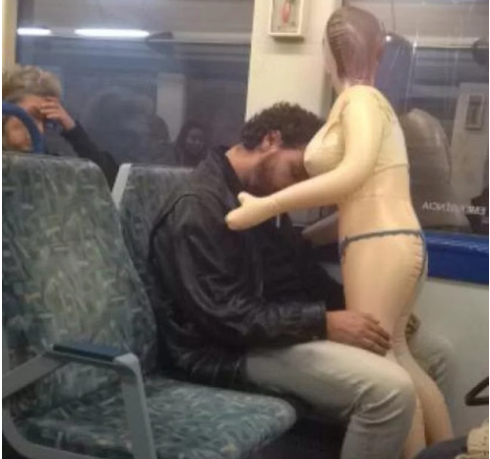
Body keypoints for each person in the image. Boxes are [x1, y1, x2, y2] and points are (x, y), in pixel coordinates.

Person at [150, 102, 452, 459]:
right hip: (224, 350)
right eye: (296, 172)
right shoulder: (199, 205)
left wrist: (375, 310)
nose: (297, 190)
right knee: (390, 391)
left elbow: (306, 277)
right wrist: (323, 323)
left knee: (434, 354)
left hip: (277, 330)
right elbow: (223, 315)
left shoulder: (265, 201)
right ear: (270, 140)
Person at [225, 7, 453, 458]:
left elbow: (352, 175)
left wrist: (267, 206)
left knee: (385, 373)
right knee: (399, 358)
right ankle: (448, 452)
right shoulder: (369, 105)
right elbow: (359, 198)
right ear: (378, 51)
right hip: (387, 239)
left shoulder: (360, 101)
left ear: (327, 54)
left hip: (378, 245)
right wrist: (308, 237)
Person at [375, 32, 471, 233]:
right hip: (457, 226)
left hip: (426, 228)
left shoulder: (385, 124)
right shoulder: (429, 120)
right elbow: (448, 173)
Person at [2, 65, 118, 187]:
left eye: (46, 122)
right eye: (31, 116)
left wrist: (73, 130)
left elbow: (109, 183)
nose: (39, 130)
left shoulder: (47, 167)